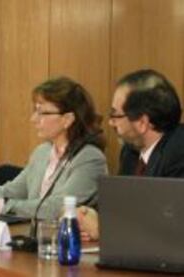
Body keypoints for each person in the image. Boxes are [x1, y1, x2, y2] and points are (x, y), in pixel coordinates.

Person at [0, 77, 108, 221]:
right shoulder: (42, 152)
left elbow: (58, 207)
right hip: (34, 235)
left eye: (42, 112)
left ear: (67, 119)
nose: (33, 119)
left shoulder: (90, 158)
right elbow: (12, 190)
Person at [79, 69, 184, 241]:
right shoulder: (131, 152)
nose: (110, 123)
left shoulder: (179, 152)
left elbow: (171, 225)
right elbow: (122, 206)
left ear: (142, 123)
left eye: (115, 115)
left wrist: (106, 228)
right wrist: (87, 215)